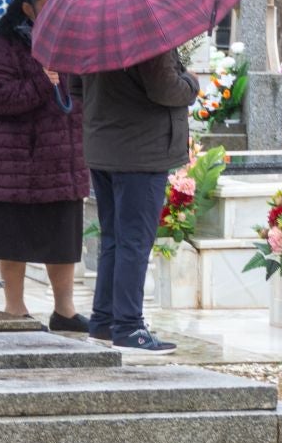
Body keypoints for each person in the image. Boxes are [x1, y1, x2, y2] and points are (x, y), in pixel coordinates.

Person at [0, 0, 88, 331]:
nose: (56, 12)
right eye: (48, 5)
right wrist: (42, 81)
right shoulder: (3, 47)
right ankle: (14, 307)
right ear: (27, 9)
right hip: (15, 164)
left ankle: (64, 310)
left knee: (63, 237)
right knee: (14, 236)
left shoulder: (67, 44)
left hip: (61, 158)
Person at [78, 48, 198, 351]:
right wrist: (191, 83)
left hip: (104, 147)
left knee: (115, 239)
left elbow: (75, 87)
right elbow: (165, 88)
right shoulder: (148, 36)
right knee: (134, 240)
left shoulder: (94, 32)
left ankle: (104, 321)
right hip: (141, 151)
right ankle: (129, 326)